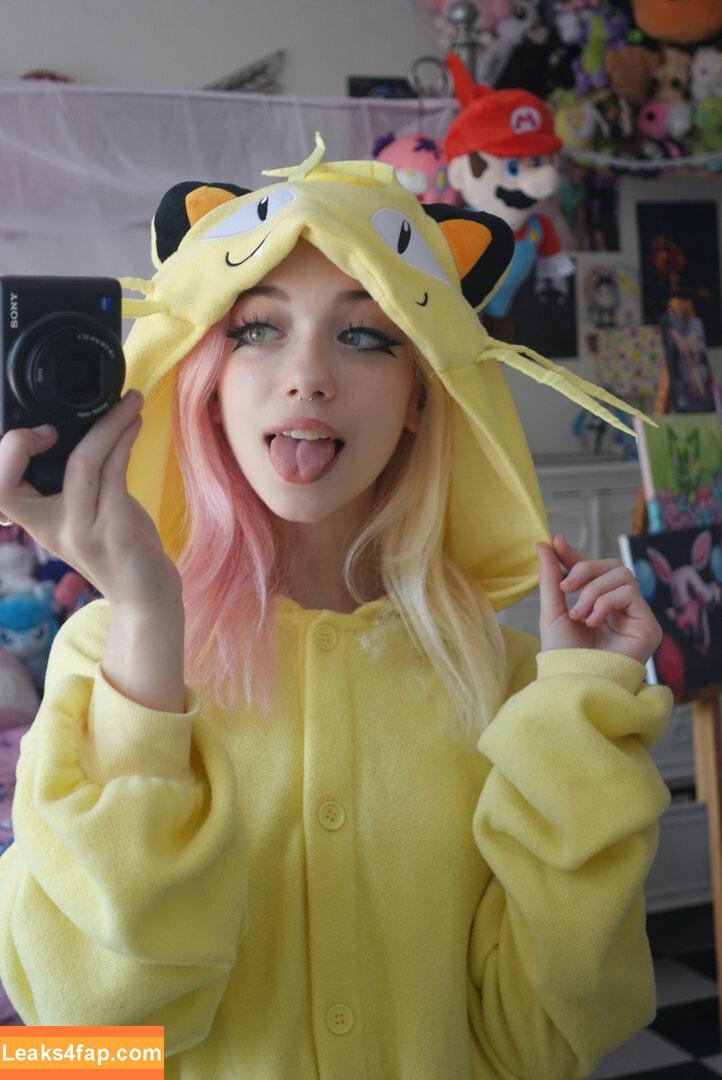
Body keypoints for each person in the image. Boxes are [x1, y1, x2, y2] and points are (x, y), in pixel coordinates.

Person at [0, 135, 671, 1080]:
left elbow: (545, 1039)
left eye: (364, 335)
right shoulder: (108, 658)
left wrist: (578, 710)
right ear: (208, 384)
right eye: (257, 329)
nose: (308, 374)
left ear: (420, 396)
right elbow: (87, 1029)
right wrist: (149, 622)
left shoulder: (508, 679)